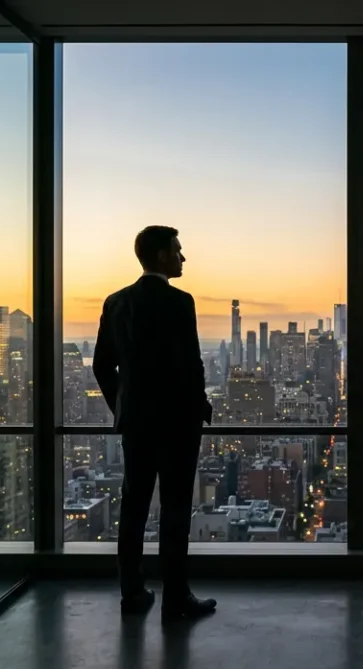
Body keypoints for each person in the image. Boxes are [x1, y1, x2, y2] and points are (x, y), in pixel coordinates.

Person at [93, 225, 216, 623]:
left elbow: (101, 365)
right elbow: (192, 363)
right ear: (162, 256)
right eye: (178, 251)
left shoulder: (116, 302)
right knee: (176, 511)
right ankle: (175, 598)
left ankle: (132, 592)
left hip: (137, 425)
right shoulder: (180, 302)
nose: (183, 258)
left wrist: (122, 407)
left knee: (133, 509)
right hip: (178, 424)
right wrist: (199, 405)